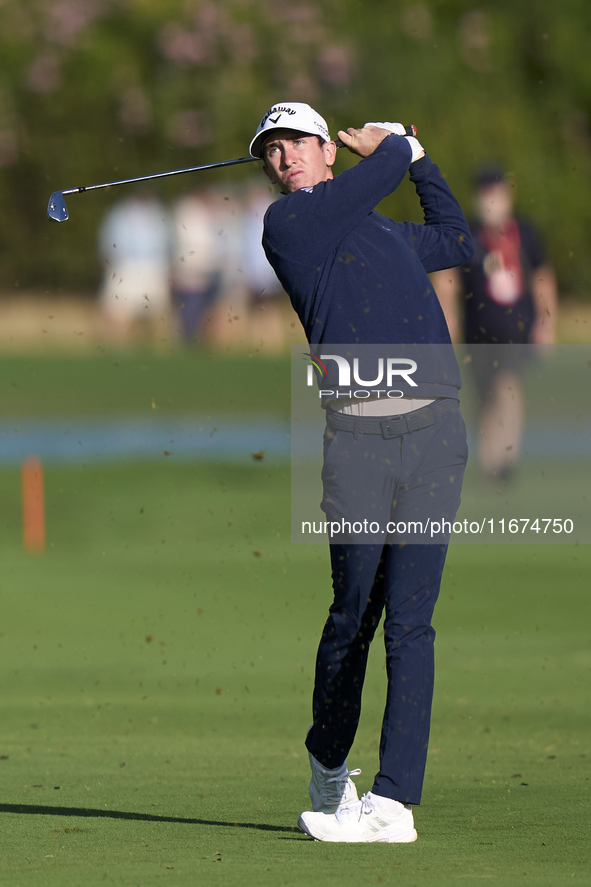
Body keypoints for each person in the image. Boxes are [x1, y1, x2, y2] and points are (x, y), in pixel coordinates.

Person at [249, 102, 473, 842]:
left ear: (327, 150)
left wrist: (421, 163)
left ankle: (392, 802)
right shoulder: (288, 227)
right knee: (354, 615)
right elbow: (374, 175)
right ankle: (328, 762)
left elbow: (455, 240)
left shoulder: (381, 230)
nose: (283, 159)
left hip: (436, 431)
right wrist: (398, 146)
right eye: (271, 151)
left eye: (296, 144)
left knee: (412, 623)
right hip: (358, 440)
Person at [432, 167, 558, 481]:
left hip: (516, 330)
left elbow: (543, 279)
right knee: (484, 394)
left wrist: (546, 323)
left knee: (507, 386)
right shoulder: (469, 235)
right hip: (478, 332)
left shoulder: (525, 232)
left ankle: (507, 458)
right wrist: (448, 318)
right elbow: (447, 279)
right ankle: (490, 459)